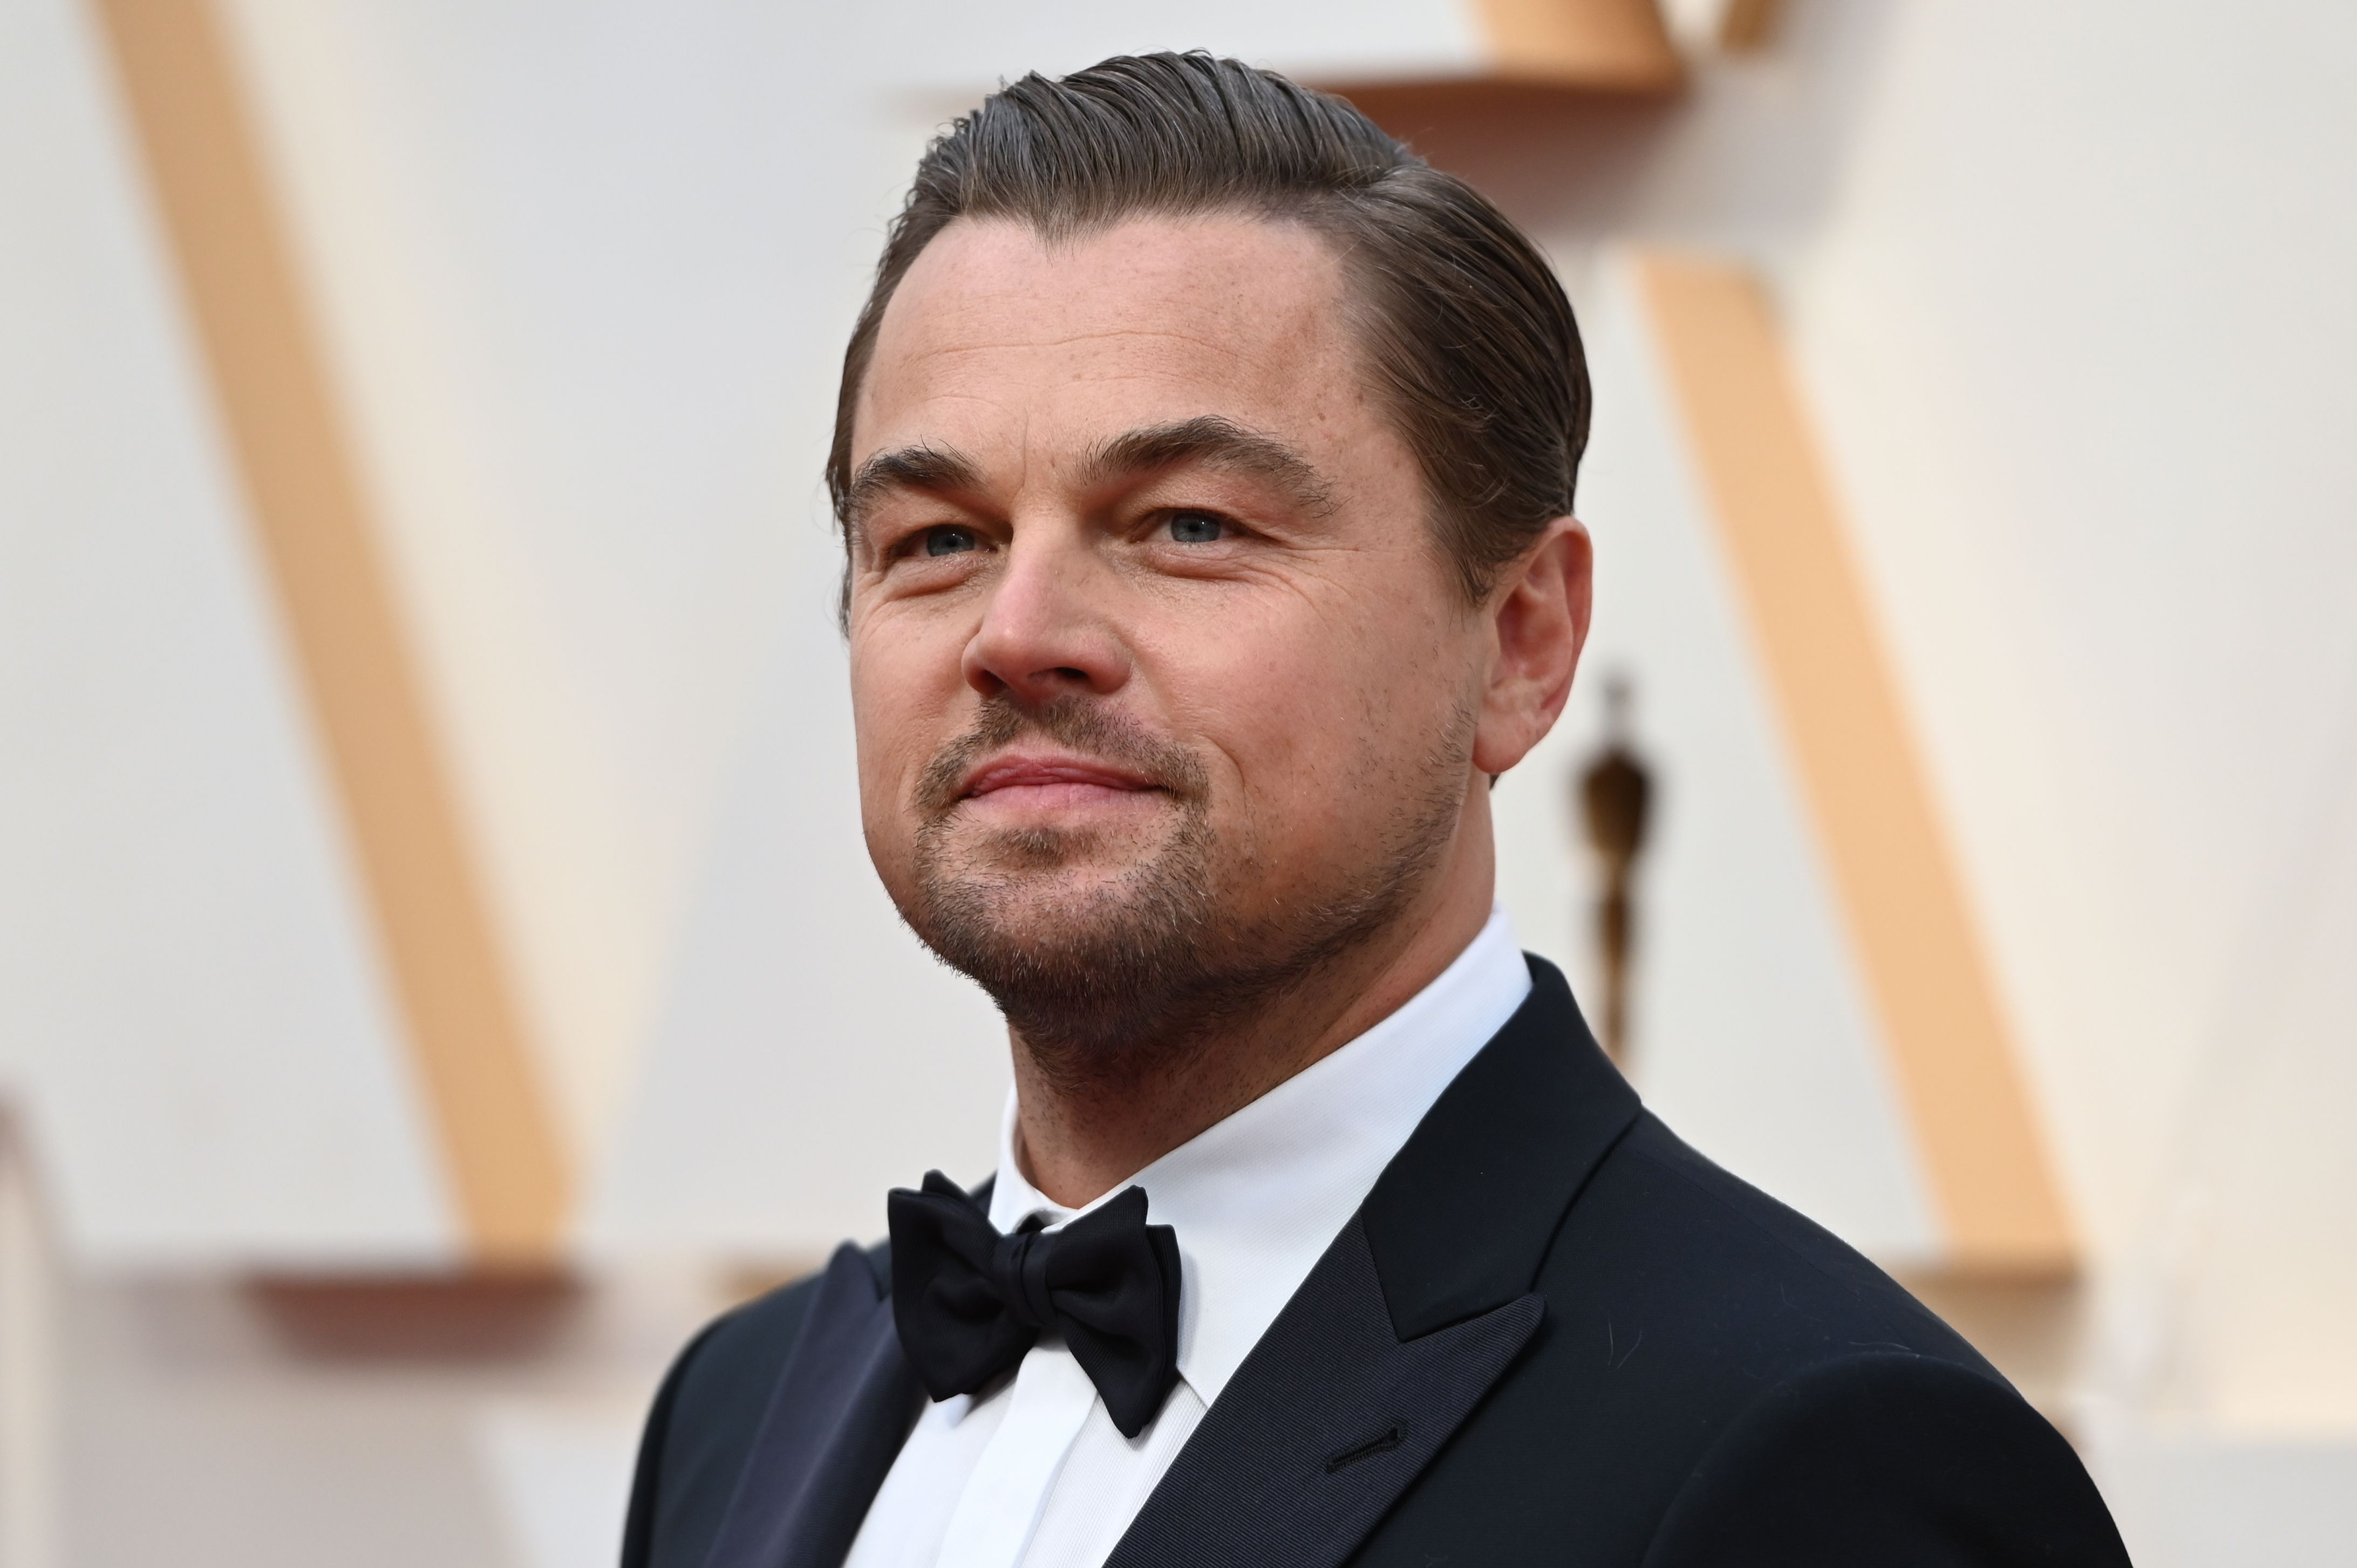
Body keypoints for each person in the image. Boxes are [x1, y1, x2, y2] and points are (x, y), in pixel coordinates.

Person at [621, 52, 2129, 1568]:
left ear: (1522, 643)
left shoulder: (1823, 1456)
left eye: (1188, 524)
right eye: (937, 537)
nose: (1018, 631)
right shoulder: (734, 1414)